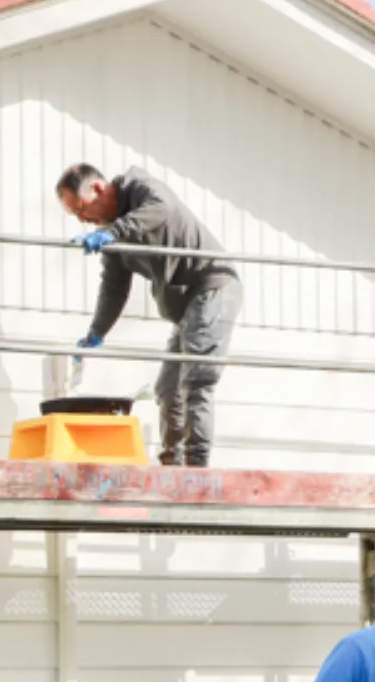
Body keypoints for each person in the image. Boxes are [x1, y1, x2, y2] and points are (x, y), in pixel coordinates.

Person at [56, 163, 240, 468]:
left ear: (99, 189)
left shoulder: (139, 186)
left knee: (196, 378)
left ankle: (196, 469)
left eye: (81, 209)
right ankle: (172, 465)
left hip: (212, 286)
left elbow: (163, 208)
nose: (83, 220)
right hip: (186, 308)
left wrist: (114, 233)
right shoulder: (110, 235)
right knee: (167, 389)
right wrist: (97, 332)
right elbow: (114, 288)